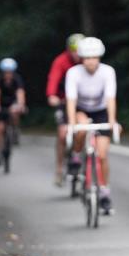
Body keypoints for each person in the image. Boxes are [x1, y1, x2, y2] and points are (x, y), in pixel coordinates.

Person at [65, 36, 119, 213]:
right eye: (87, 58)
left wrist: (112, 121)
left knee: (102, 155)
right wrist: (72, 123)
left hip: (101, 111)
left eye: (94, 57)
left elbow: (110, 97)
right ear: (81, 58)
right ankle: (75, 155)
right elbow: (71, 99)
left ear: (99, 58)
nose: (90, 62)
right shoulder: (73, 73)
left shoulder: (107, 71)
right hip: (81, 109)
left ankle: (104, 190)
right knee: (80, 128)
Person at [46, 33, 84, 185]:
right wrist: (52, 95)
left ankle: (79, 155)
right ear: (68, 50)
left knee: (84, 129)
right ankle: (59, 169)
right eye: (73, 50)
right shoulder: (61, 61)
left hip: (83, 103)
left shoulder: (88, 61)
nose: (76, 54)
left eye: (79, 50)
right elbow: (53, 79)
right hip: (64, 100)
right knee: (62, 134)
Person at [0, 58, 26, 167]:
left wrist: (21, 105)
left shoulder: (17, 79)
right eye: (6, 72)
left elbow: (20, 93)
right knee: (0, 128)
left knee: (15, 112)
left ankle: (15, 129)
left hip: (12, 104)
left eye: (10, 72)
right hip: (2, 106)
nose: (8, 74)